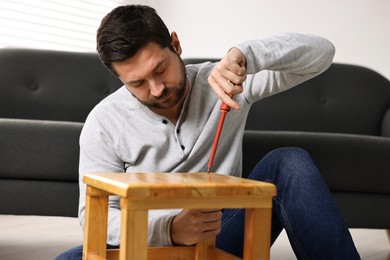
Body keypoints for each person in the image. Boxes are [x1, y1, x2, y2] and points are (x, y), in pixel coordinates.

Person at [56, 4, 360, 259]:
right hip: (146, 246)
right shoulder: (103, 122)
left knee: (290, 161)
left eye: (160, 69)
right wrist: (170, 228)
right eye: (137, 83)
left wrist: (246, 54)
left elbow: (322, 53)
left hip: (220, 233)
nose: (157, 89)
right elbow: (94, 218)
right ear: (120, 79)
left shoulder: (226, 80)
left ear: (176, 44)